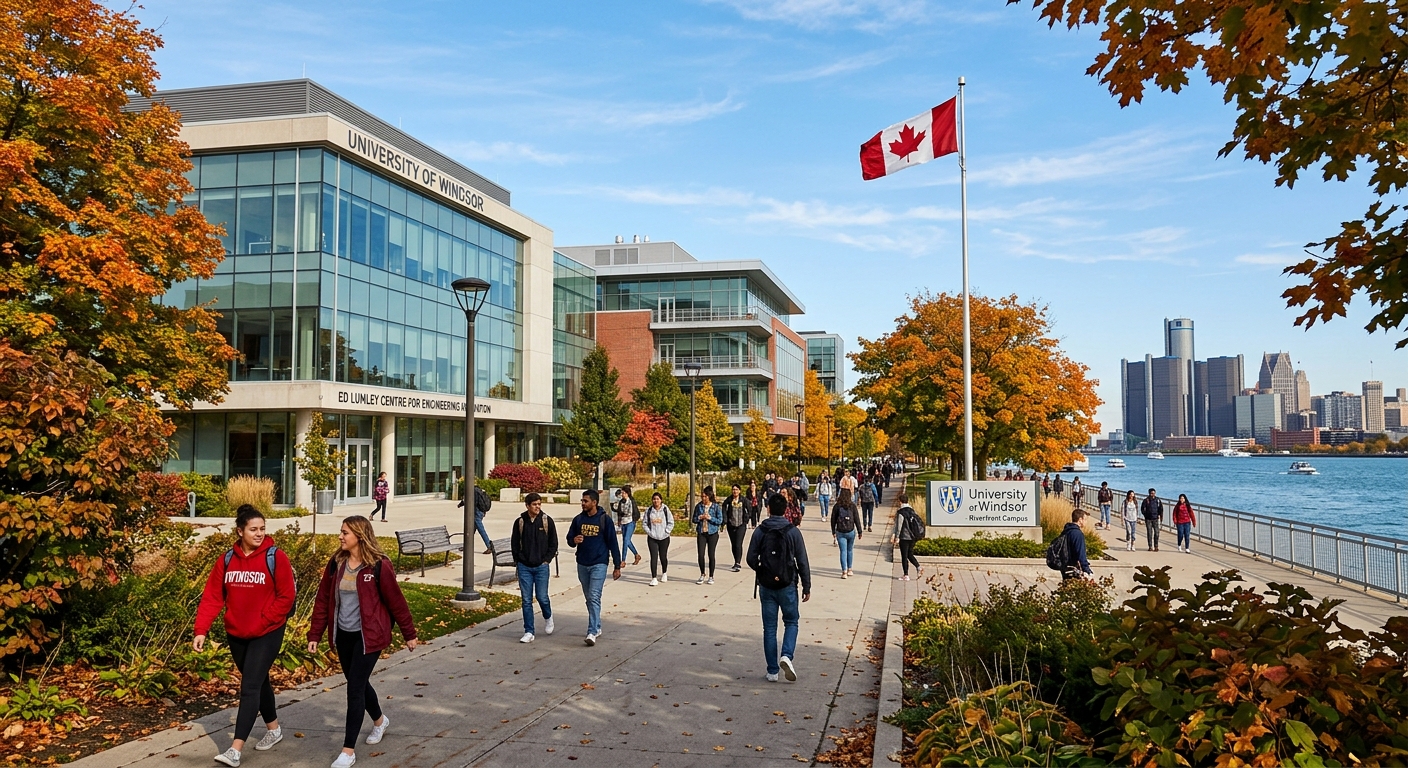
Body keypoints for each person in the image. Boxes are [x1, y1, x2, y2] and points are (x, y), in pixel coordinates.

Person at [307, 516, 417, 768]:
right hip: (344, 635)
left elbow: (396, 601)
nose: (340, 536)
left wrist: (408, 633)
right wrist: (315, 634)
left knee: (354, 688)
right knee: (358, 682)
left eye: (345, 532)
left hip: (369, 636)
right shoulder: (336, 563)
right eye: (341, 531)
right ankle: (380, 721)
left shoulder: (378, 565)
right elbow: (323, 599)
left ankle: (347, 751)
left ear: (359, 535)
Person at [194, 505, 296, 767]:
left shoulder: (276, 557)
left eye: (263, 529)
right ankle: (273, 729)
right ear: (240, 531)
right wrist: (201, 630)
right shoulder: (227, 559)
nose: (259, 533)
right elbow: (213, 597)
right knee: (258, 681)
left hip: (267, 631)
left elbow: (287, 597)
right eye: (253, 529)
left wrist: (264, 620)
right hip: (237, 632)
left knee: (249, 686)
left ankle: (235, 749)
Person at [747, 494, 812, 683]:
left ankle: (772, 671)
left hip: (766, 585)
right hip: (787, 583)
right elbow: (802, 561)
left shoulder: (760, 531)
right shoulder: (793, 532)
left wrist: (762, 570)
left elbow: (750, 558)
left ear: (768, 509)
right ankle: (786, 655)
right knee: (791, 622)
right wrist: (806, 586)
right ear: (786, 510)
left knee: (769, 628)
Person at [567, 490, 622, 645]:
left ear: (594, 502)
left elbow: (613, 544)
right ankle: (597, 626)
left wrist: (617, 566)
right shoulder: (578, 520)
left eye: (586, 501)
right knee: (589, 598)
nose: (583, 503)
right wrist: (574, 540)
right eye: (582, 501)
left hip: (599, 563)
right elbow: (569, 538)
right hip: (583, 564)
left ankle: (591, 632)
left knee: (594, 596)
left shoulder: (604, 520)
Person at [511, 493, 558, 643]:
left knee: (542, 597)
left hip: (541, 566)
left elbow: (553, 543)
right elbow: (515, 543)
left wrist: (546, 560)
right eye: (534, 504)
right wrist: (518, 560)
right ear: (527, 506)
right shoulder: (520, 521)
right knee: (526, 600)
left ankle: (548, 616)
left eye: (539, 504)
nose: (537, 507)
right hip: (524, 566)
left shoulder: (546, 521)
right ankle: (529, 631)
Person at [694, 486, 723, 584]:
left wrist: (710, 518)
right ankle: (702, 573)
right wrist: (699, 517)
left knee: (711, 554)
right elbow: (693, 519)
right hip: (702, 532)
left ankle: (711, 576)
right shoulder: (698, 506)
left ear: (709, 497)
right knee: (701, 555)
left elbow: (720, 520)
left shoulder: (715, 507)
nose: (703, 498)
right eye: (702, 496)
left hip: (712, 533)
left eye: (705, 496)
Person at [643, 492, 673, 586]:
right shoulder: (649, 510)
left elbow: (671, 522)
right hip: (652, 538)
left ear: (661, 500)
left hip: (664, 537)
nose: (656, 501)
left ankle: (664, 572)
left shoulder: (665, 509)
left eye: (658, 499)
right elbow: (644, 523)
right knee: (654, 557)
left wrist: (667, 531)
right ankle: (654, 577)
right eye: (654, 499)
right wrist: (650, 532)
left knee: (663, 556)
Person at [830, 488, 861, 578]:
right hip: (851, 531)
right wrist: (859, 531)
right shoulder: (852, 506)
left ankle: (844, 571)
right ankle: (850, 569)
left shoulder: (837, 506)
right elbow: (856, 519)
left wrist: (833, 531)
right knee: (850, 550)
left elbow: (833, 519)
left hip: (840, 531)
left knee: (843, 551)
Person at [893, 492, 924, 581]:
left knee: (904, 556)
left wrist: (897, 537)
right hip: (913, 536)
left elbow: (899, 526)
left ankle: (906, 575)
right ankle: (918, 567)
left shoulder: (901, 512)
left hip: (904, 537)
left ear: (900, 501)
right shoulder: (912, 510)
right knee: (910, 554)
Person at [458, 483, 494, 555]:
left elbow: (470, 502)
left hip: (476, 513)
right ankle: (466, 546)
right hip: (481, 512)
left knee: (481, 529)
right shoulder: (479, 490)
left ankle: (489, 546)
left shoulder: (472, 491)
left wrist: (460, 505)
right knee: (471, 530)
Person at [1058, 509, 1093, 580]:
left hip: (1065, 566)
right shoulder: (1078, 534)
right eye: (1085, 519)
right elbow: (1080, 553)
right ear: (1080, 520)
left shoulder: (1066, 531)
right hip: (1074, 567)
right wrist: (1087, 570)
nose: (1086, 522)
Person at [613, 486, 643, 567]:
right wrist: (619, 520)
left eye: (624, 493)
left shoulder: (631, 501)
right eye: (622, 493)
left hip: (630, 522)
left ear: (627, 493)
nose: (622, 494)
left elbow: (634, 512)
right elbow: (619, 512)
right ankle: (637, 555)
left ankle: (623, 560)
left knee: (626, 540)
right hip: (623, 522)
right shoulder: (621, 502)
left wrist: (634, 520)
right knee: (627, 541)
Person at [723, 484, 748, 572]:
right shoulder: (729, 500)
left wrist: (746, 519)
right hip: (731, 525)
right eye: (733, 489)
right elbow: (724, 508)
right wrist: (725, 520)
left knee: (738, 543)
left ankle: (738, 563)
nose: (735, 491)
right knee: (733, 544)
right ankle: (735, 560)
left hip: (741, 525)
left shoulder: (743, 500)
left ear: (739, 491)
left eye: (736, 489)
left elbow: (749, 509)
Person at [1140, 488, 1164, 552]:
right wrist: (1145, 515)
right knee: (1149, 533)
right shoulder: (1146, 500)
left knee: (1157, 533)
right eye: (1151, 493)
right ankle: (1150, 546)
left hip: (1155, 518)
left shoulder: (1158, 500)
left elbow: (1161, 509)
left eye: (1153, 493)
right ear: (1149, 493)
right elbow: (1142, 509)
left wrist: (1160, 515)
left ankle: (1156, 546)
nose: (1152, 494)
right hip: (1148, 519)